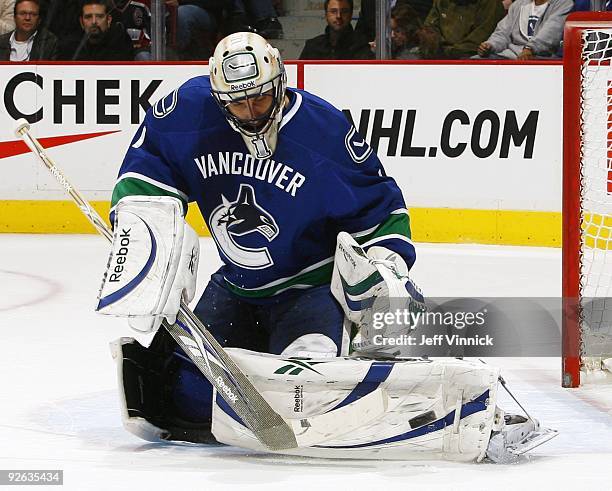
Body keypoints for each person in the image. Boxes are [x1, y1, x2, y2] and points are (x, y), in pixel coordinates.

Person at [98, 31, 416, 443]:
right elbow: (145, 177)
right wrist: (147, 247)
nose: (249, 112)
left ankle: (350, 353)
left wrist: (382, 269)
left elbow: (382, 212)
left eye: (259, 98)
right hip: (237, 286)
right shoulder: (186, 114)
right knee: (181, 394)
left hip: (309, 288)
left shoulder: (323, 132)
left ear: (279, 82)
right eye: (236, 102)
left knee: (305, 390)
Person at [476, 0, 572, 59]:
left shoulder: (563, 3)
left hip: (541, 56)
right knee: (474, 61)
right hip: (510, 55)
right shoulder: (518, 4)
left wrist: (530, 49)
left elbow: (551, 31)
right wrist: (490, 45)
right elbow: (503, 33)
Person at [418, 0, 505, 59]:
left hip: (471, 58)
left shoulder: (491, 4)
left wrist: (446, 51)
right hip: (437, 52)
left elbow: (477, 42)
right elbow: (429, 28)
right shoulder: (441, 2)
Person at [299, 0, 374, 60]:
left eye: (344, 11)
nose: (338, 16)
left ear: (351, 14)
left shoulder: (361, 47)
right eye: (333, 11)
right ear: (326, 15)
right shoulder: (312, 47)